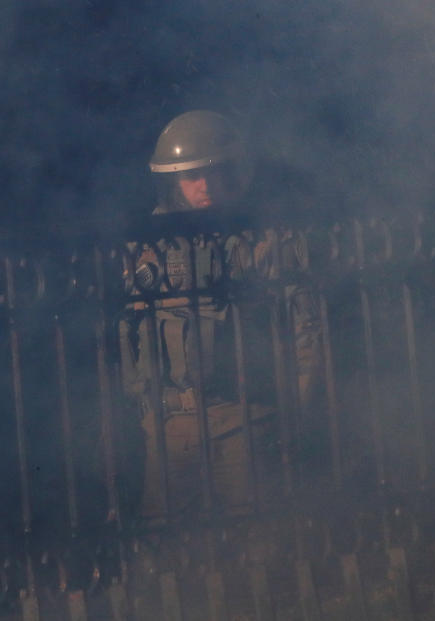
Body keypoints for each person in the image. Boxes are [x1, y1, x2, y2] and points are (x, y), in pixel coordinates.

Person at [119, 110, 321, 520]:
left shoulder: (265, 239)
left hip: (247, 418)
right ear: (173, 181)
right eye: (191, 176)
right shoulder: (147, 247)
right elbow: (128, 336)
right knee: (168, 543)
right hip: (171, 426)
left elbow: (307, 334)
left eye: (213, 173)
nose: (204, 186)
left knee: (260, 534)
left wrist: (296, 414)